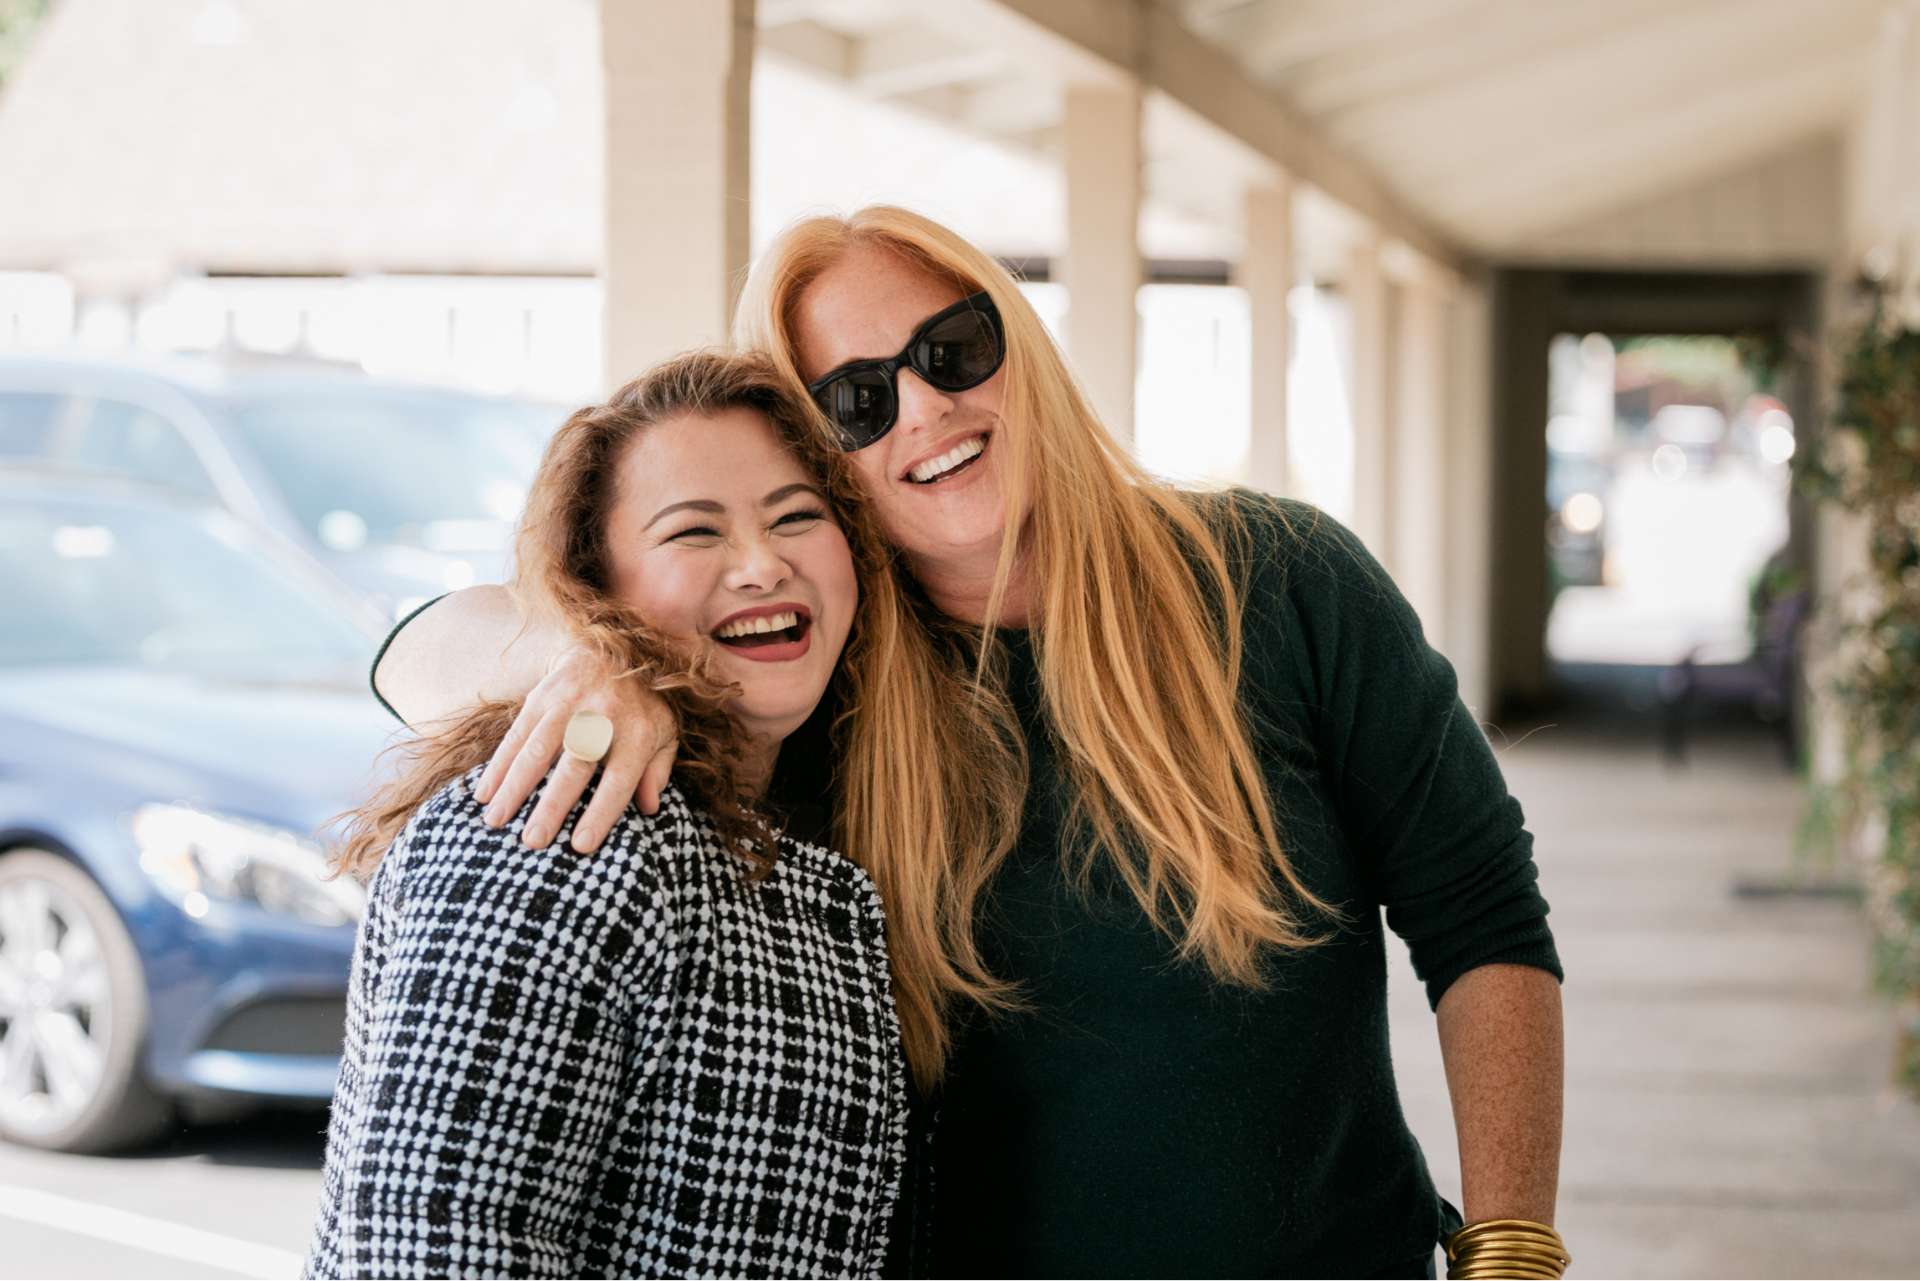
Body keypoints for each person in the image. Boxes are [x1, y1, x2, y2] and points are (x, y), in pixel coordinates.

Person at [372, 206, 1568, 1279]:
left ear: (1017, 344)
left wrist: (1510, 1253)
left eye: (951, 350)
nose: (930, 408)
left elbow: (1482, 914)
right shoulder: (819, 676)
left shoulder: (1275, 578)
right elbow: (411, 651)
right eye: (857, 399)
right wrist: (576, 659)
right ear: (824, 459)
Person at [303, 352, 910, 1280]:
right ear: (598, 594)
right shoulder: (557, 820)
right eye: (692, 534)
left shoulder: (775, 832)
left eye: (797, 517)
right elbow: (433, 1241)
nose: (762, 564)